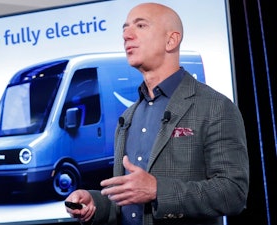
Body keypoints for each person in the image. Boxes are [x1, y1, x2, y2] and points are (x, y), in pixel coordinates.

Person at [64, 2, 249, 225]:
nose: (126, 35)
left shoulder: (214, 106)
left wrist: (157, 190)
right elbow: (128, 206)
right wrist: (95, 205)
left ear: (171, 40)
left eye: (140, 26)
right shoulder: (128, 117)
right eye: (124, 28)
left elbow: (233, 193)